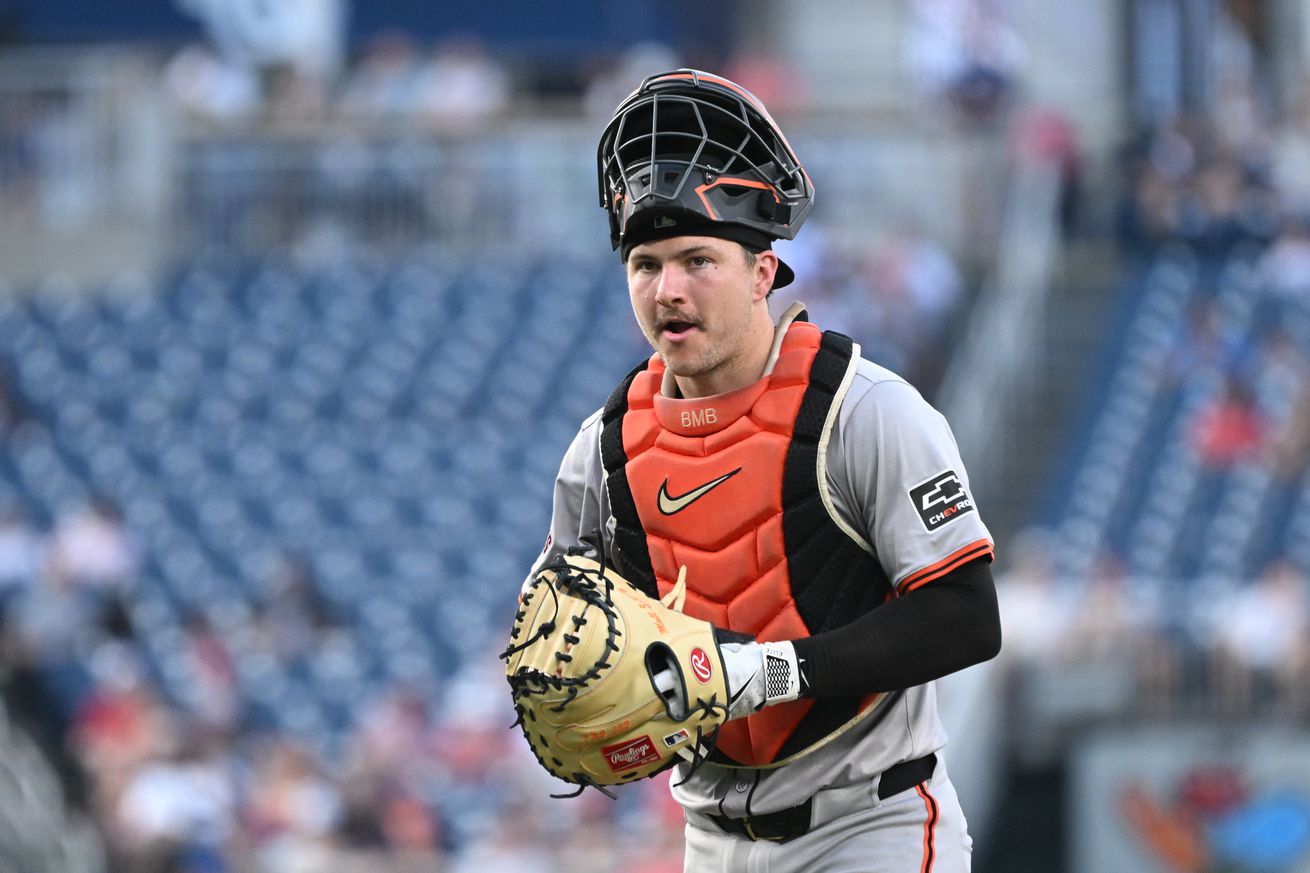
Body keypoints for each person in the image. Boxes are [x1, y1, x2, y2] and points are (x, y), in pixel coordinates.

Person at [526, 69, 1002, 872]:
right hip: (710, 838)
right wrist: (570, 682)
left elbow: (966, 614)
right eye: (645, 264)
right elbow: (564, 621)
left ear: (763, 272)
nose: (668, 289)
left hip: (869, 824)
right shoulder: (602, 450)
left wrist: (771, 668)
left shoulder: (865, 411)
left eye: (696, 259)